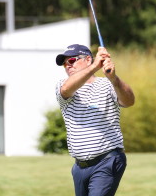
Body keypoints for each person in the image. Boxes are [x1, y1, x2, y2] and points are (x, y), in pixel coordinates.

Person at [55, 44, 135, 196]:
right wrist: (94, 67)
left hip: (107, 160)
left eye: (72, 60)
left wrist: (114, 78)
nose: (68, 66)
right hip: (79, 167)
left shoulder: (108, 85)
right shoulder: (63, 85)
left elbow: (129, 101)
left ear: (87, 59)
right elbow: (66, 89)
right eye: (65, 64)